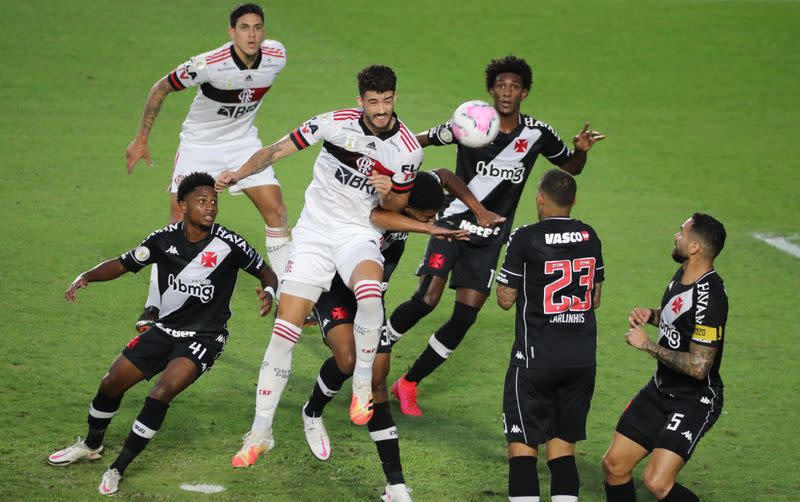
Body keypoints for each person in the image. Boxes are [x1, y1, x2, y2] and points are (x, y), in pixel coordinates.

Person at [215, 65, 424, 467]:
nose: (381, 110)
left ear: (395, 97)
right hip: (313, 235)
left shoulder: (408, 149)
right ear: (361, 99)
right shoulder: (333, 124)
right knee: (283, 331)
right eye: (373, 102)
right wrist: (239, 174)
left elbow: (395, 207)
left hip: (356, 234)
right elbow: (276, 150)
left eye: (387, 100)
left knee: (368, 291)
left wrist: (389, 193)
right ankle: (260, 432)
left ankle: (361, 385)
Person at [388, 55, 606, 416]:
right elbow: (420, 140)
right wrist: (394, 154)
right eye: (501, 85)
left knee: (465, 316)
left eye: (514, 87)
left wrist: (581, 152)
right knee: (427, 298)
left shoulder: (537, 133)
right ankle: (377, 346)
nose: (507, 92)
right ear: (491, 89)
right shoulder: (470, 122)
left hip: (490, 237)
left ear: (525, 93)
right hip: (453, 223)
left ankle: (408, 383)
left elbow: (569, 167)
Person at [47, 172, 278, 496]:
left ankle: (118, 468)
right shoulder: (163, 240)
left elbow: (265, 269)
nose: (210, 207)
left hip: (204, 338)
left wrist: (269, 289)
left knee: (160, 392)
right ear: (182, 205)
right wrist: (87, 276)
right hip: (164, 331)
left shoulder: (229, 243)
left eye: (214, 201)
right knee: (111, 383)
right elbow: (123, 263)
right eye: (202, 201)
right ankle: (91, 445)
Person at [301, 169, 495, 501]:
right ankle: (313, 411)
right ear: (408, 208)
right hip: (332, 287)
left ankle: (396, 487)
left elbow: (444, 175)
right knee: (347, 360)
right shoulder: (369, 210)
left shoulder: (412, 191)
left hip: (370, 299)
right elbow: (380, 219)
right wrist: (430, 227)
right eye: (427, 215)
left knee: (378, 378)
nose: (434, 218)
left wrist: (476, 208)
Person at [124, 3, 292, 331]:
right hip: (199, 146)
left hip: (243, 143)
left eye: (258, 28)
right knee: (177, 222)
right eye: (244, 28)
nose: (252, 35)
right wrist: (141, 138)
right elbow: (161, 87)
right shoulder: (208, 65)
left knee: (277, 211)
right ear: (232, 33)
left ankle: (290, 297)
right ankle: (154, 305)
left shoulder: (276, 56)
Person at [495, 169, 604, 502]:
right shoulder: (589, 235)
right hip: (581, 361)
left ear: (540, 198)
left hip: (535, 361)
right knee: (562, 450)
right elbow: (595, 298)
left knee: (523, 449)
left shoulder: (525, 237)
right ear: (573, 201)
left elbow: (505, 299)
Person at [602, 213, 728, 502]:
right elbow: (680, 324)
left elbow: (698, 367)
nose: (676, 236)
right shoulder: (683, 273)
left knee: (657, 482)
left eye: (681, 233)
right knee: (614, 465)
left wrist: (647, 345)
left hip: (694, 399)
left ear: (695, 247)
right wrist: (653, 316)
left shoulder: (711, 297)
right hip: (660, 389)